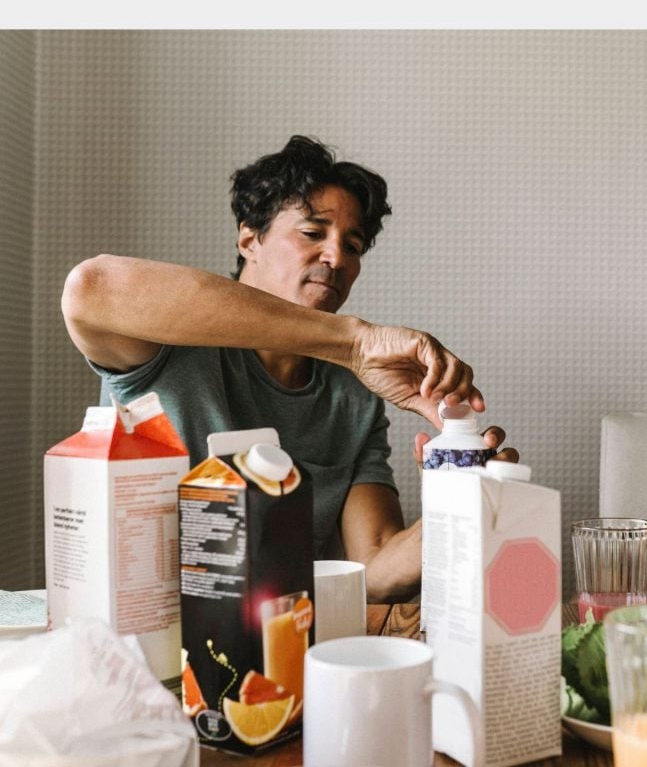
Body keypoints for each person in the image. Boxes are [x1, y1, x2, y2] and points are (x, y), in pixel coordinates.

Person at [61, 134, 515, 603]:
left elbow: (374, 571)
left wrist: (458, 504)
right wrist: (356, 342)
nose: (336, 257)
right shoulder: (173, 341)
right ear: (249, 238)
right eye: (313, 233)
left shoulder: (352, 396)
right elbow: (90, 289)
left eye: (353, 245)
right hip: (146, 638)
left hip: (278, 646)